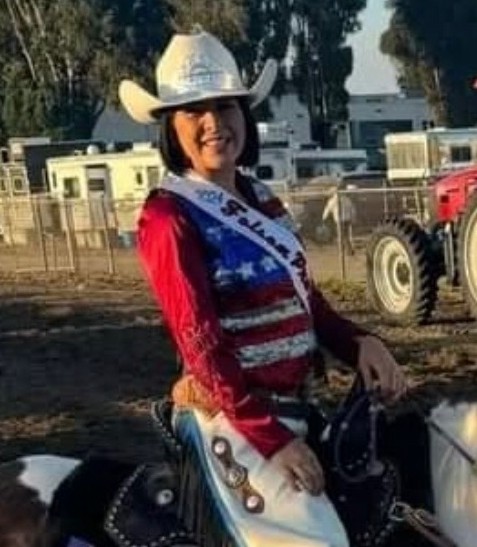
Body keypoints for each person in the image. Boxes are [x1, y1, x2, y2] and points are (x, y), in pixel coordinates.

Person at [119, 27, 407, 547]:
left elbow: (305, 303)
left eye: (225, 106)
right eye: (193, 111)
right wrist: (272, 440)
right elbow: (201, 344)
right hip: (230, 419)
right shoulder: (168, 216)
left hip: (296, 406)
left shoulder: (261, 198)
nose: (213, 123)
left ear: (244, 114)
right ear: (170, 127)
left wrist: (360, 342)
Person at [322, 183, 357, 255]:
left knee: (341, 236)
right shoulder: (346, 199)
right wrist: (353, 218)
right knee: (347, 235)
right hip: (347, 219)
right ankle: (348, 249)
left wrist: (324, 217)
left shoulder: (333, 200)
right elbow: (352, 209)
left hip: (339, 220)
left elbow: (328, 208)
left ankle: (342, 250)